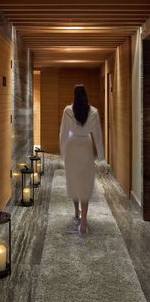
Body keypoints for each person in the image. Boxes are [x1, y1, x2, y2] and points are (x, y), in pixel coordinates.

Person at [59, 84, 104, 234]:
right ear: (86, 95)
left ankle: (76, 212)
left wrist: (63, 153)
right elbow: (97, 134)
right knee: (85, 182)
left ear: (74, 95)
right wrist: (101, 155)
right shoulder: (94, 112)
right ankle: (83, 222)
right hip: (86, 146)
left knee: (74, 180)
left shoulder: (67, 111)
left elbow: (63, 134)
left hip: (72, 147)